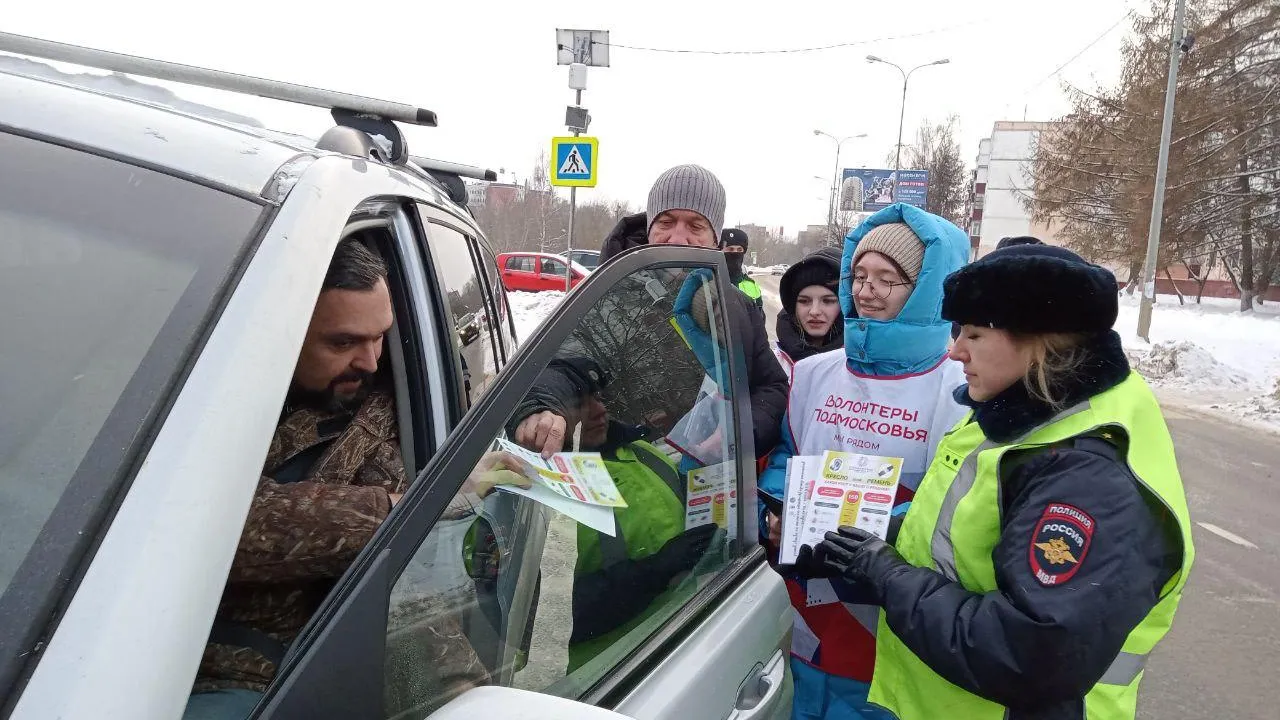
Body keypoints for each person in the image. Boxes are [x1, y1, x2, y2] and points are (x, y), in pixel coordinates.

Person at [806, 243, 1193, 720]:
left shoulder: (1087, 473)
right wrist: (864, 543)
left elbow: (1031, 651)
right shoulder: (1023, 411)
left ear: (1037, 340)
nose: (955, 351)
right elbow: (966, 540)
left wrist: (887, 575)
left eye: (974, 334)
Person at [186, 240, 525, 719]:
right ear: (283, 330)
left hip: (248, 677)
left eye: (380, 337)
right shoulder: (191, 391)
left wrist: (459, 691)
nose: (369, 362)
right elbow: (193, 518)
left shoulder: (382, 426)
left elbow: (407, 589)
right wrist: (393, 508)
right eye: (342, 342)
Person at [759, 204, 970, 720]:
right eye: (858, 275)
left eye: (888, 279)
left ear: (927, 288)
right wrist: (780, 507)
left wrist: (869, 537)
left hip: (892, 612)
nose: (866, 290)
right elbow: (786, 453)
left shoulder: (959, 385)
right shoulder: (814, 373)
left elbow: (960, 503)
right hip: (807, 603)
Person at [526, 164, 788, 460]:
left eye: (695, 225)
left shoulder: (736, 306)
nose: (678, 237)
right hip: (621, 479)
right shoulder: (606, 293)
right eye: (666, 222)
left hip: (710, 484)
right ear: (650, 228)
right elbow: (566, 365)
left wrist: (740, 429)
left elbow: (771, 387)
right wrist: (545, 406)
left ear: (715, 238)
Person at [514, 357, 723, 671]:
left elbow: (704, 511)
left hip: (694, 636)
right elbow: (534, 622)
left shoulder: (644, 453)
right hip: (616, 676)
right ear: (551, 417)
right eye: (580, 405)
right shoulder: (533, 495)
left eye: (598, 397)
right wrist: (653, 572)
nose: (600, 411)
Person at [773, 247, 845, 372]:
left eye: (827, 301)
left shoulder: (859, 366)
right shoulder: (773, 364)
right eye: (804, 301)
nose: (814, 311)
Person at [721, 227, 765, 313]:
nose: (735, 253)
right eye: (730, 249)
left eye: (739, 249)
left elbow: (760, 319)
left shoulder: (752, 285)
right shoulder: (709, 280)